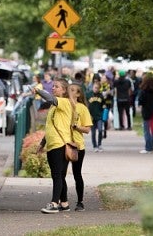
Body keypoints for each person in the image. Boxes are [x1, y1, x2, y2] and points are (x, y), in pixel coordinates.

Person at [34, 77, 77, 214]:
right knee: (58, 175)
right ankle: (64, 203)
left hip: (60, 144)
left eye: (56, 86)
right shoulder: (54, 106)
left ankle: (54, 203)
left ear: (64, 90)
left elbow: (50, 98)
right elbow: (51, 127)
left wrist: (38, 91)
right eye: (53, 86)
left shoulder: (64, 102)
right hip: (52, 144)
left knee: (57, 175)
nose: (53, 88)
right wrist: (42, 143)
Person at [68, 82, 92, 211]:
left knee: (77, 173)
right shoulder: (64, 105)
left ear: (78, 94)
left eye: (73, 90)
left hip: (77, 146)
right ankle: (62, 201)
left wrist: (76, 127)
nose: (69, 91)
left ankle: (80, 201)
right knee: (60, 174)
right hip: (63, 143)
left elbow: (87, 129)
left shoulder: (82, 108)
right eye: (69, 89)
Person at [137, 73, 153, 153]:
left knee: (147, 131)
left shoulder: (143, 92)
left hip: (146, 113)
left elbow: (140, 103)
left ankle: (148, 148)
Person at [86, 74, 106, 152]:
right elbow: (85, 104)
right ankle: (95, 146)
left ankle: (99, 144)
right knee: (93, 132)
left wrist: (104, 112)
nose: (96, 89)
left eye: (97, 88)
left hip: (99, 116)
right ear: (93, 87)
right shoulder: (88, 95)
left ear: (99, 89)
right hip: (91, 116)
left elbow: (104, 105)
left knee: (100, 130)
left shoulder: (101, 96)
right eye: (95, 87)